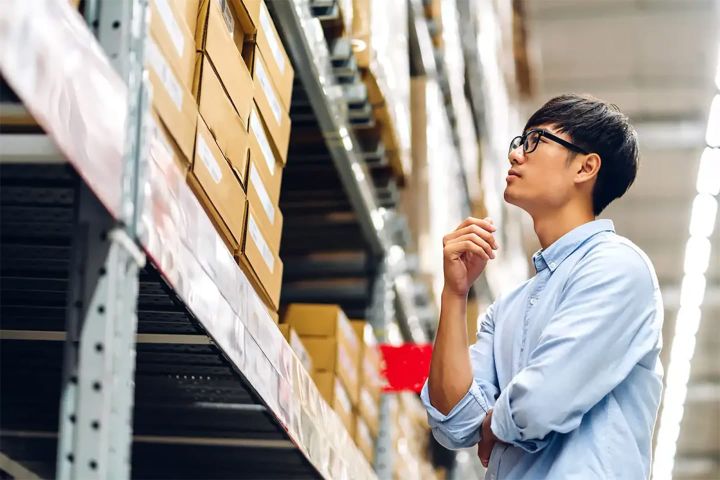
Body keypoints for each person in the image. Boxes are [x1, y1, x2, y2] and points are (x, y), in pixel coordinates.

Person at [421, 94, 664, 479]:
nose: (516, 155)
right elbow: (453, 422)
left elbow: (543, 402)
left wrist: (494, 422)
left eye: (534, 141)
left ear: (586, 167)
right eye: (519, 142)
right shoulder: (508, 307)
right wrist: (455, 294)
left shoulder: (618, 268)